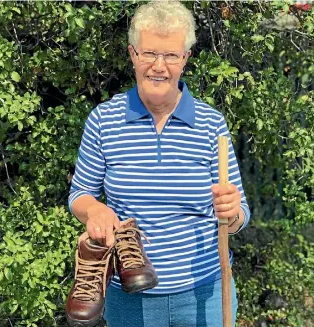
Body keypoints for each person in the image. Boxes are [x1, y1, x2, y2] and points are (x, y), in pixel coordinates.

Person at [68, 1, 251, 326]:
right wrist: (95, 211)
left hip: (204, 294)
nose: (159, 66)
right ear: (133, 54)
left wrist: (232, 212)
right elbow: (80, 193)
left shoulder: (211, 125)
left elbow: (239, 216)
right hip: (129, 298)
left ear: (186, 59)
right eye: (149, 53)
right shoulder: (103, 121)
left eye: (171, 55)